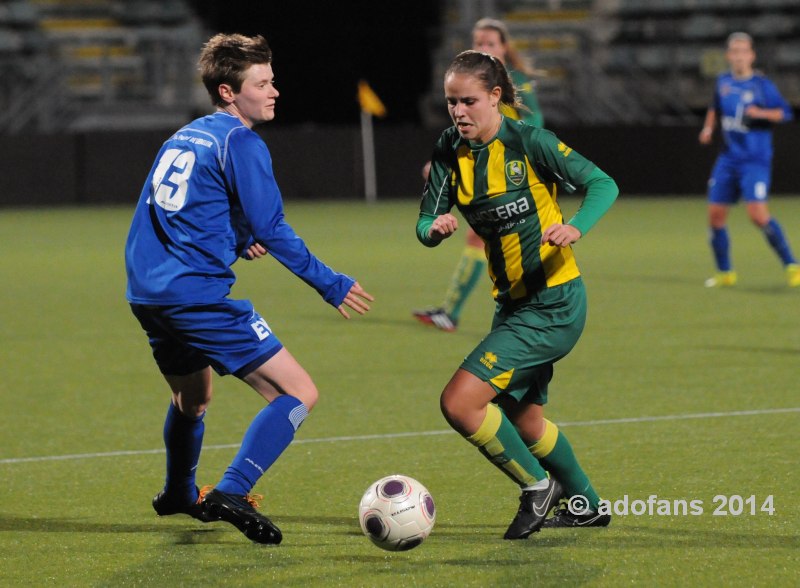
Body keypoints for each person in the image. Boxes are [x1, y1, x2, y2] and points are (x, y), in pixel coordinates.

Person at [124, 33, 373, 545]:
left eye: (272, 80)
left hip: (148, 294)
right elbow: (275, 227)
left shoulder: (186, 135)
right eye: (261, 83)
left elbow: (175, 211)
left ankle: (178, 493)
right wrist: (330, 283)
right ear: (228, 91)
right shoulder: (241, 141)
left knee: (192, 398)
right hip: (195, 295)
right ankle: (233, 490)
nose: (274, 91)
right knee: (298, 392)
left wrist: (235, 239)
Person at [416, 50, 618, 537]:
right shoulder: (450, 149)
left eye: (468, 101)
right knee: (525, 421)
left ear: (495, 97)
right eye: (451, 103)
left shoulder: (529, 141)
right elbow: (425, 221)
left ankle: (535, 487)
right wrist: (435, 228)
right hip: (511, 307)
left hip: (555, 303)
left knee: (460, 402)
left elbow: (602, 184)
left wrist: (575, 228)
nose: (459, 112)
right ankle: (587, 505)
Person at [413, 18, 545, 331]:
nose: (483, 48)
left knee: (498, 240)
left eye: (490, 43)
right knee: (489, 240)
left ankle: (456, 312)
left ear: (503, 47)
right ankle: (454, 311)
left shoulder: (514, 83)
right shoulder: (476, 87)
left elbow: (534, 122)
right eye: (478, 42)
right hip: (489, 173)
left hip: (512, 175)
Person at [699, 32, 799, 288]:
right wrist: (708, 129)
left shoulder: (761, 85)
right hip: (728, 159)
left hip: (755, 160)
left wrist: (760, 113)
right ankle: (725, 273)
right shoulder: (723, 82)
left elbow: (784, 113)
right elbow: (715, 108)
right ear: (728, 56)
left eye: (744, 51)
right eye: (734, 51)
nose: (739, 56)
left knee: (757, 215)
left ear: (751, 55)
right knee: (715, 217)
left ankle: (792, 265)